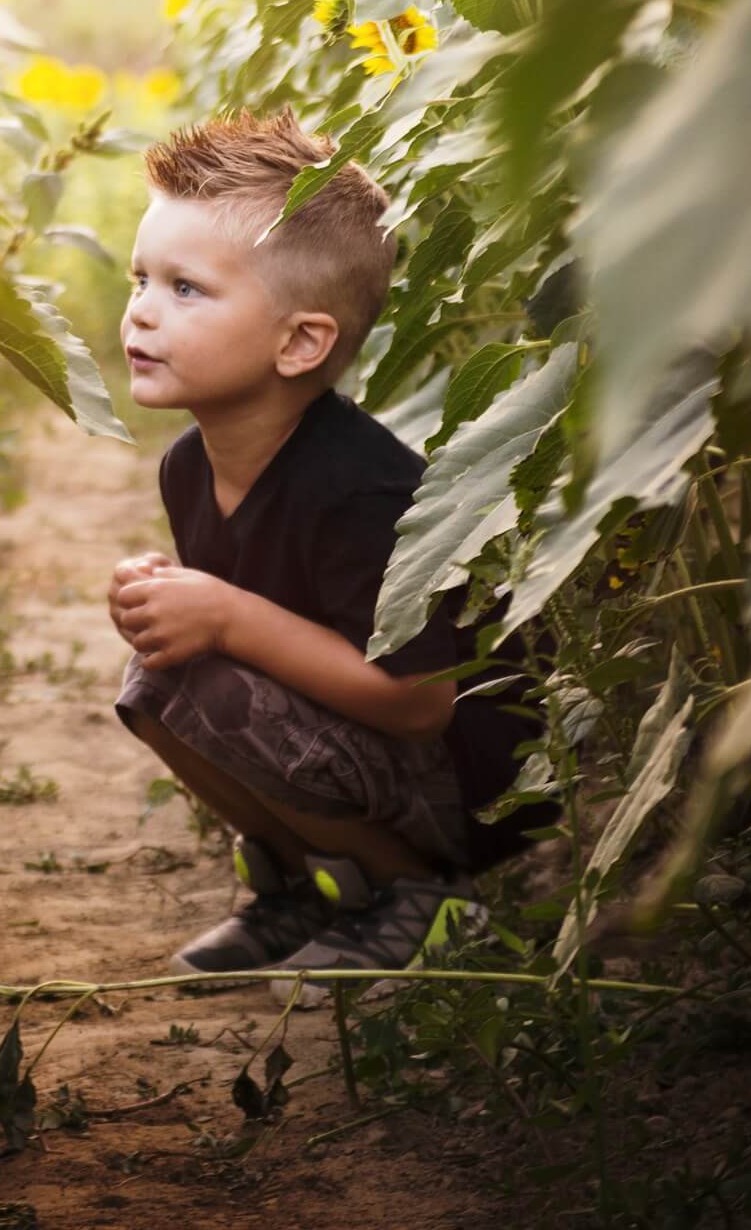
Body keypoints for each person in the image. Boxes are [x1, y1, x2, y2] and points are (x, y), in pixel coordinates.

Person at [107, 106, 544, 1005]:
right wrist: (175, 605)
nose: (142, 311)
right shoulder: (190, 468)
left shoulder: (361, 492)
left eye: (185, 289)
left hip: (474, 787)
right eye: (140, 278)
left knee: (211, 680)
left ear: (300, 342)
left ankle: (421, 895)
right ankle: (312, 885)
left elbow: (422, 703)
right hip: (364, 755)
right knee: (154, 679)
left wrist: (224, 615)